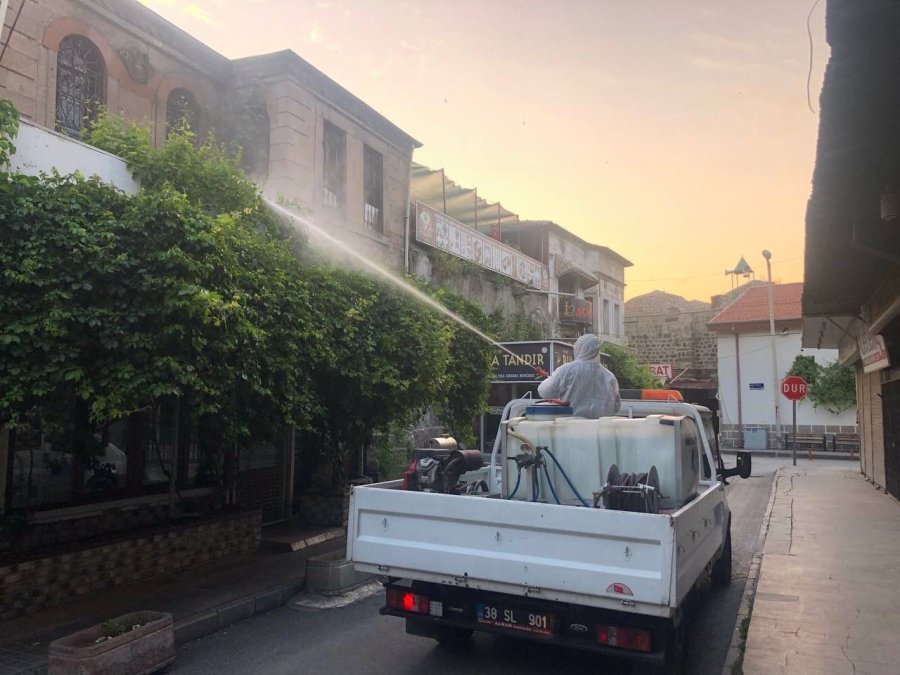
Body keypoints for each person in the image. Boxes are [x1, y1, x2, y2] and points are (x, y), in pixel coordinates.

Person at [536, 333, 620, 418]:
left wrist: (548, 379)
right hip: (601, 425)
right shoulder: (610, 377)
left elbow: (545, 392)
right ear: (597, 351)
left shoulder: (567, 370)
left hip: (572, 424)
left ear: (578, 349)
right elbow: (616, 407)